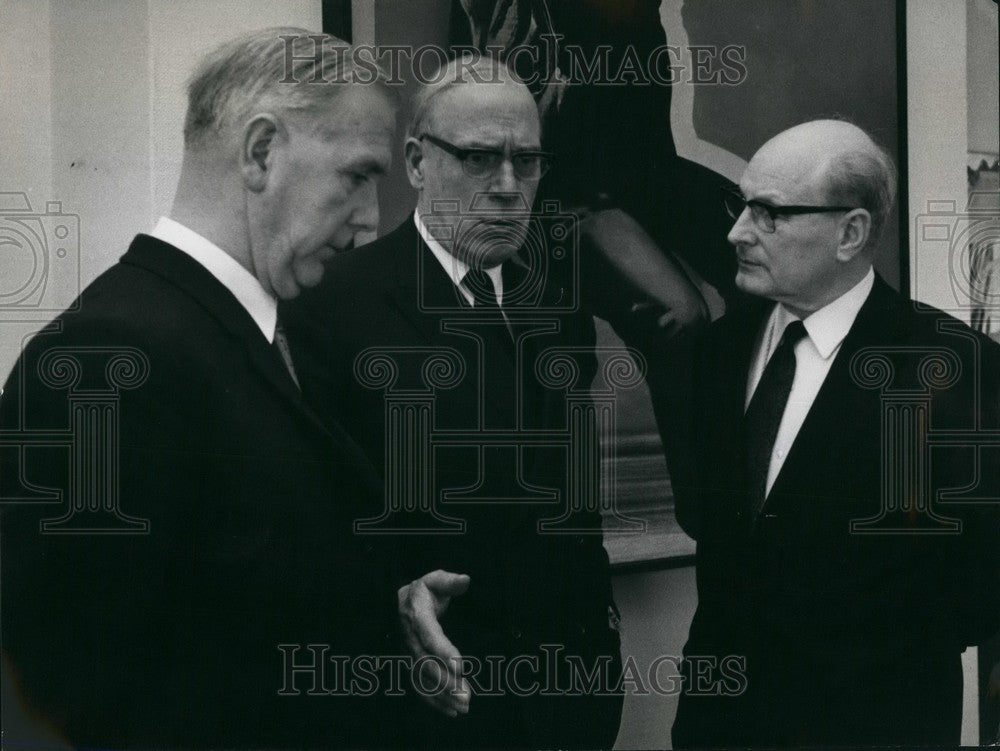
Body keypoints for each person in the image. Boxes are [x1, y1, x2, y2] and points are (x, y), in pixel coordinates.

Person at [0, 28, 398, 748]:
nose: (371, 221)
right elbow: (65, 699)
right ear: (260, 152)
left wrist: (385, 610)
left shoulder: (286, 338)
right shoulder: (106, 360)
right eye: (356, 176)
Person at [283, 55, 623, 749]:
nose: (507, 187)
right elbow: (307, 521)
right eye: (478, 159)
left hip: (572, 699)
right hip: (432, 705)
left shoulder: (558, 305)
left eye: (526, 161)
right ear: (416, 162)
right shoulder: (335, 305)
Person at [671, 119, 1000, 747]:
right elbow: (710, 522)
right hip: (718, 726)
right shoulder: (716, 352)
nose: (736, 231)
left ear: (851, 232)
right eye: (740, 206)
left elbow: (981, 586)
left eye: (768, 214)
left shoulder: (959, 369)